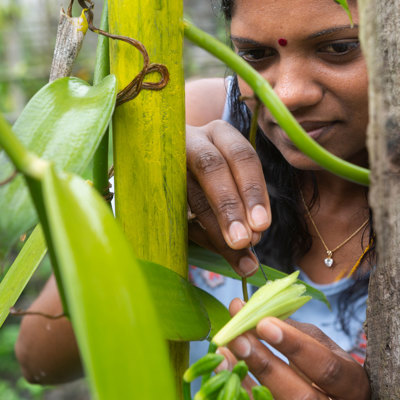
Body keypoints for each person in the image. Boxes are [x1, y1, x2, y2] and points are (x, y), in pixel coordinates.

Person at [16, 0, 372, 398]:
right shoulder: (196, 118)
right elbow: (37, 358)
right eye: (255, 54)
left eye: (339, 48)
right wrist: (145, 194)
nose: (287, 95)